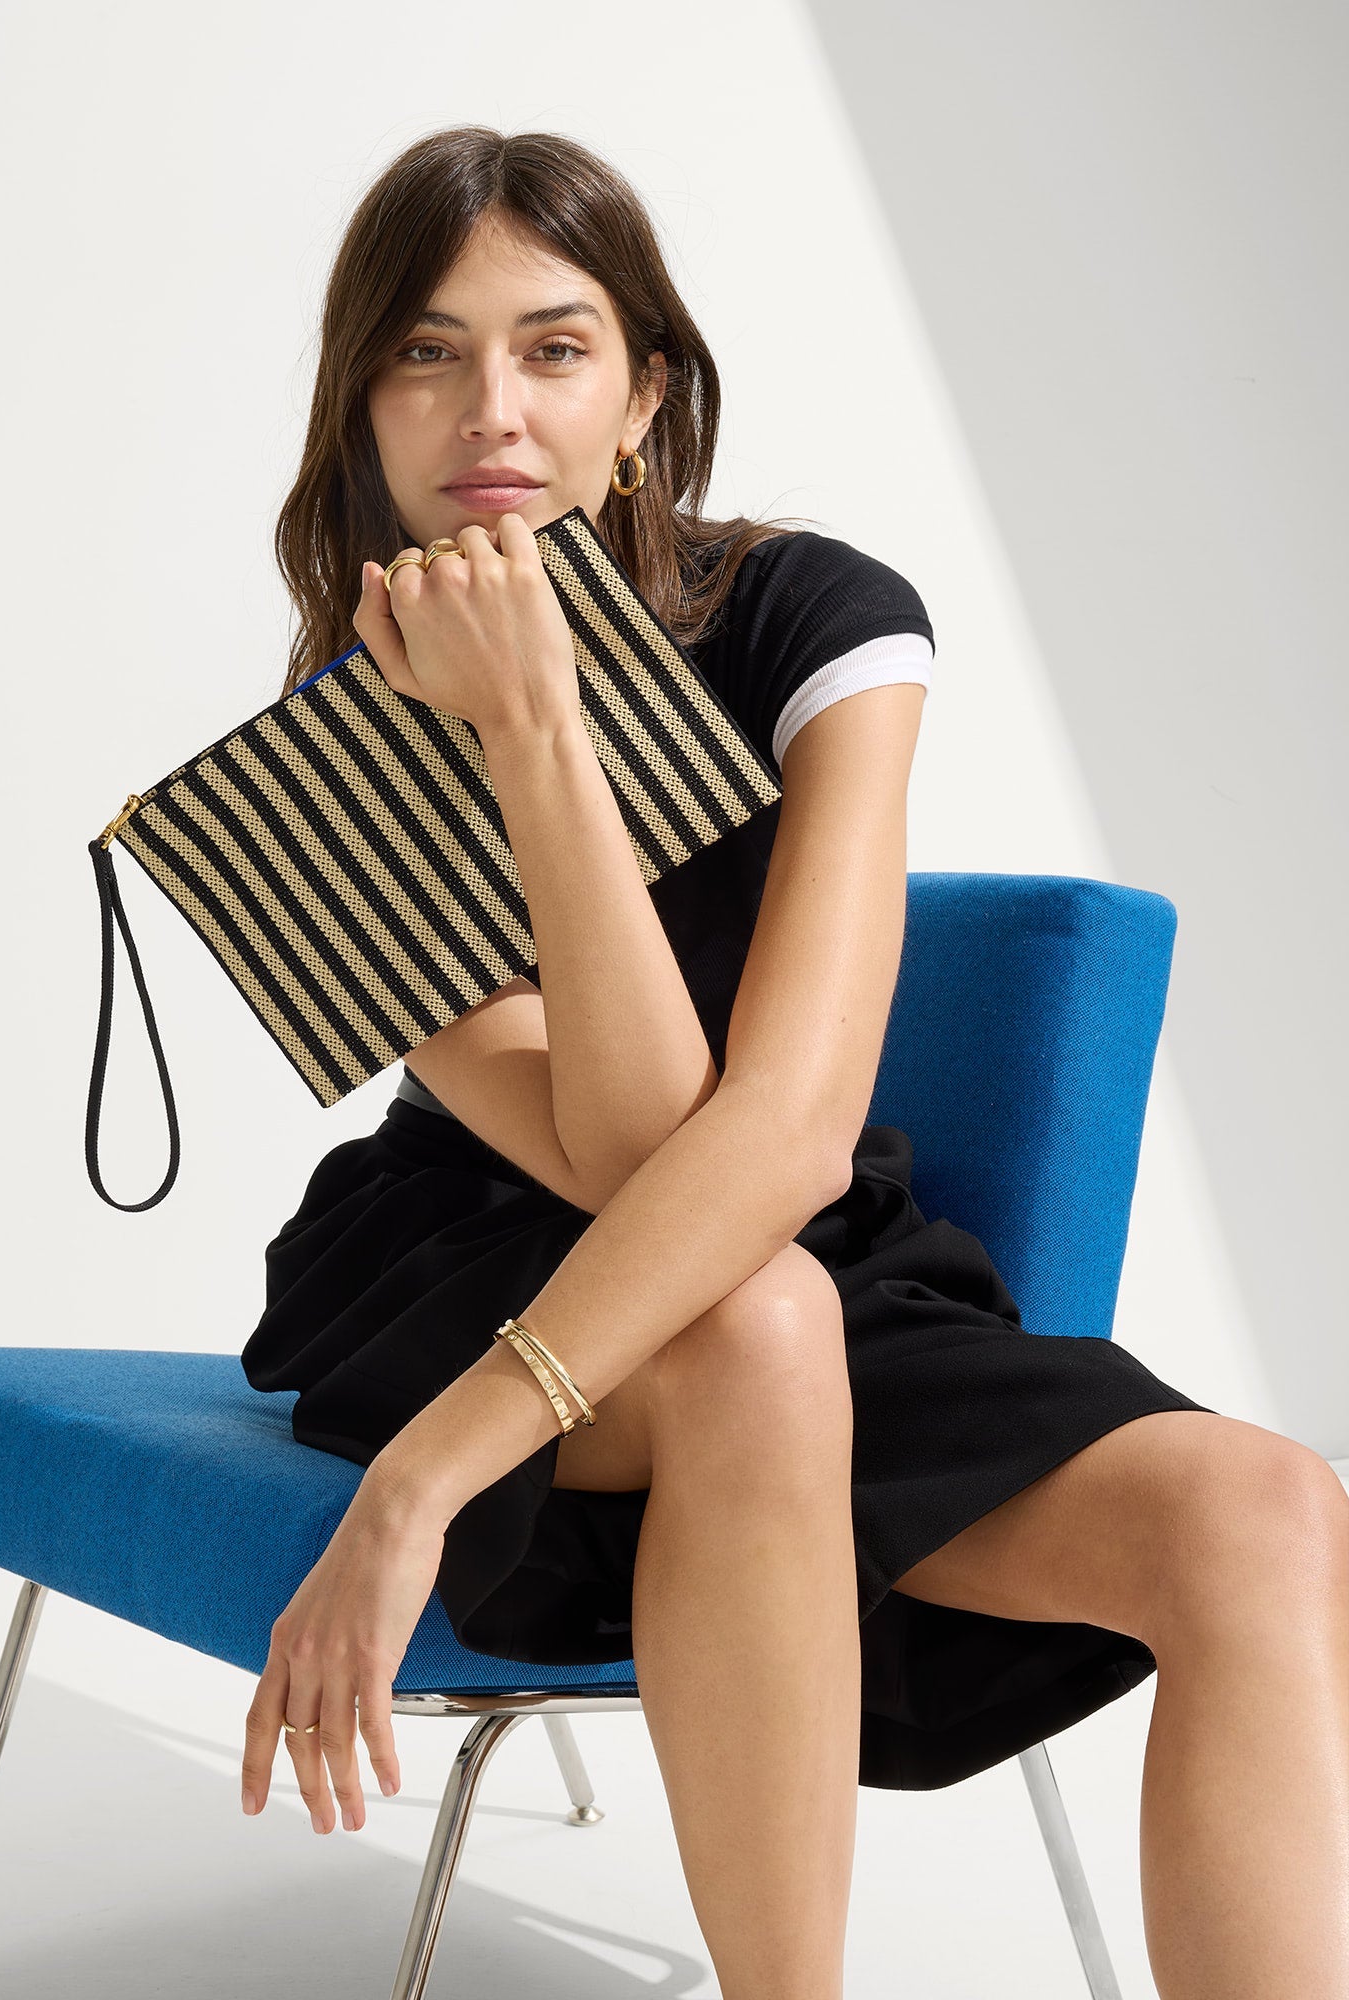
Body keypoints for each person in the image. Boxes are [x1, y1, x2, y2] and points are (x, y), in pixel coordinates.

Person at [234, 125, 1349, 1997]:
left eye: (554, 347)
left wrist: (421, 1485)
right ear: (363, 407)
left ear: (643, 396)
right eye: (425, 351)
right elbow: (626, 1153)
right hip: (466, 1262)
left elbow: (783, 1141)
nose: (490, 406)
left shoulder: (821, 622)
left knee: (1267, 1510)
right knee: (756, 1326)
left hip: (798, 1257)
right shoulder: (322, 754)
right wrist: (532, 732)